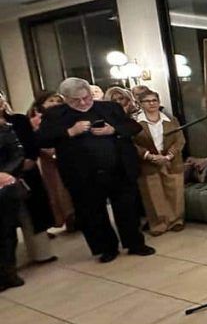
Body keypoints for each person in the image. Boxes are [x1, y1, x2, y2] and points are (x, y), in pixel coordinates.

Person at [37, 78, 154, 263]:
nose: (83, 103)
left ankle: (135, 243)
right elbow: (41, 140)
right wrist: (70, 132)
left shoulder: (109, 108)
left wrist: (113, 130)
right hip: (82, 175)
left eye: (86, 98)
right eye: (76, 100)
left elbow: (133, 127)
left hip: (118, 169)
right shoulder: (55, 115)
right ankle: (107, 248)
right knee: (93, 213)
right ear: (65, 98)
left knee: (127, 209)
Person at [0, 92, 56, 264]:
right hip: (2, 178)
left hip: (26, 171)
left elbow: (31, 143)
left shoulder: (18, 120)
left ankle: (41, 253)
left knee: (33, 214)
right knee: (6, 223)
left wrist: (28, 160)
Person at [133, 88, 185, 235]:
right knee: (153, 194)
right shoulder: (135, 123)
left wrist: (168, 156)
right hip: (148, 162)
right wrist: (148, 155)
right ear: (140, 104)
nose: (151, 103)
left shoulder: (171, 120)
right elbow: (132, 143)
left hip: (171, 160)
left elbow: (179, 140)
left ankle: (176, 221)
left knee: (174, 192)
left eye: (154, 100)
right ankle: (158, 224)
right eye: (147, 101)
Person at [29, 91, 75, 232]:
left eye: (58, 100)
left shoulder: (68, 116)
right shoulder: (36, 119)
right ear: (41, 104)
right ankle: (66, 219)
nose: (55, 103)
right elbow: (37, 141)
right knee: (57, 190)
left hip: (69, 157)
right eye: (51, 100)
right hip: (49, 161)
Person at [0, 117, 25, 290]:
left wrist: (5, 173)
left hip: (5, 186)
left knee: (7, 232)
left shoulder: (5, 130)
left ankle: (9, 271)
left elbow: (17, 154)